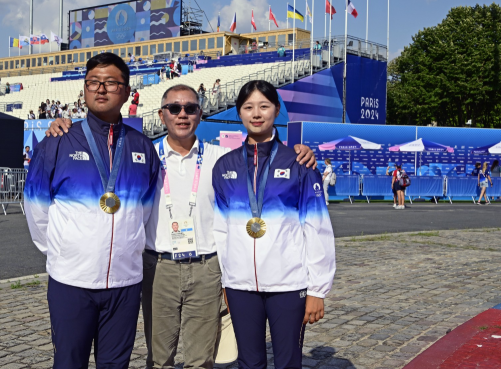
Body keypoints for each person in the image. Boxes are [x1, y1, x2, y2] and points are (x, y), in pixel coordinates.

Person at [46, 84, 318, 369]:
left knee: (201, 360)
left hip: (206, 268)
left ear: (200, 114)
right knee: (160, 359)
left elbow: (259, 158)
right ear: (162, 115)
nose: (182, 114)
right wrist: (64, 124)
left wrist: (300, 152)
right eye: (174, 108)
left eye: (190, 108)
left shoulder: (220, 159)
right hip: (158, 267)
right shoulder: (143, 154)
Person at [24, 53, 160, 368]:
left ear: (126, 91)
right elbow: (36, 208)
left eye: (111, 83)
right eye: (93, 83)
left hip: (125, 284)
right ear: (84, 89)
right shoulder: (59, 140)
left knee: (116, 364)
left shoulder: (142, 147)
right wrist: (62, 252)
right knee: (69, 362)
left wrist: (127, 249)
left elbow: (147, 212)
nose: (101, 89)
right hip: (72, 282)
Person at [212, 80, 335, 369]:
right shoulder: (225, 166)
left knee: (288, 361)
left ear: (276, 110)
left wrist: (317, 289)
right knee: (249, 361)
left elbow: (317, 228)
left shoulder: (299, 163)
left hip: (289, 285)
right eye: (248, 107)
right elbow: (220, 230)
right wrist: (226, 281)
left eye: (264, 106)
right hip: (240, 286)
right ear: (239, 113)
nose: (256, 113)